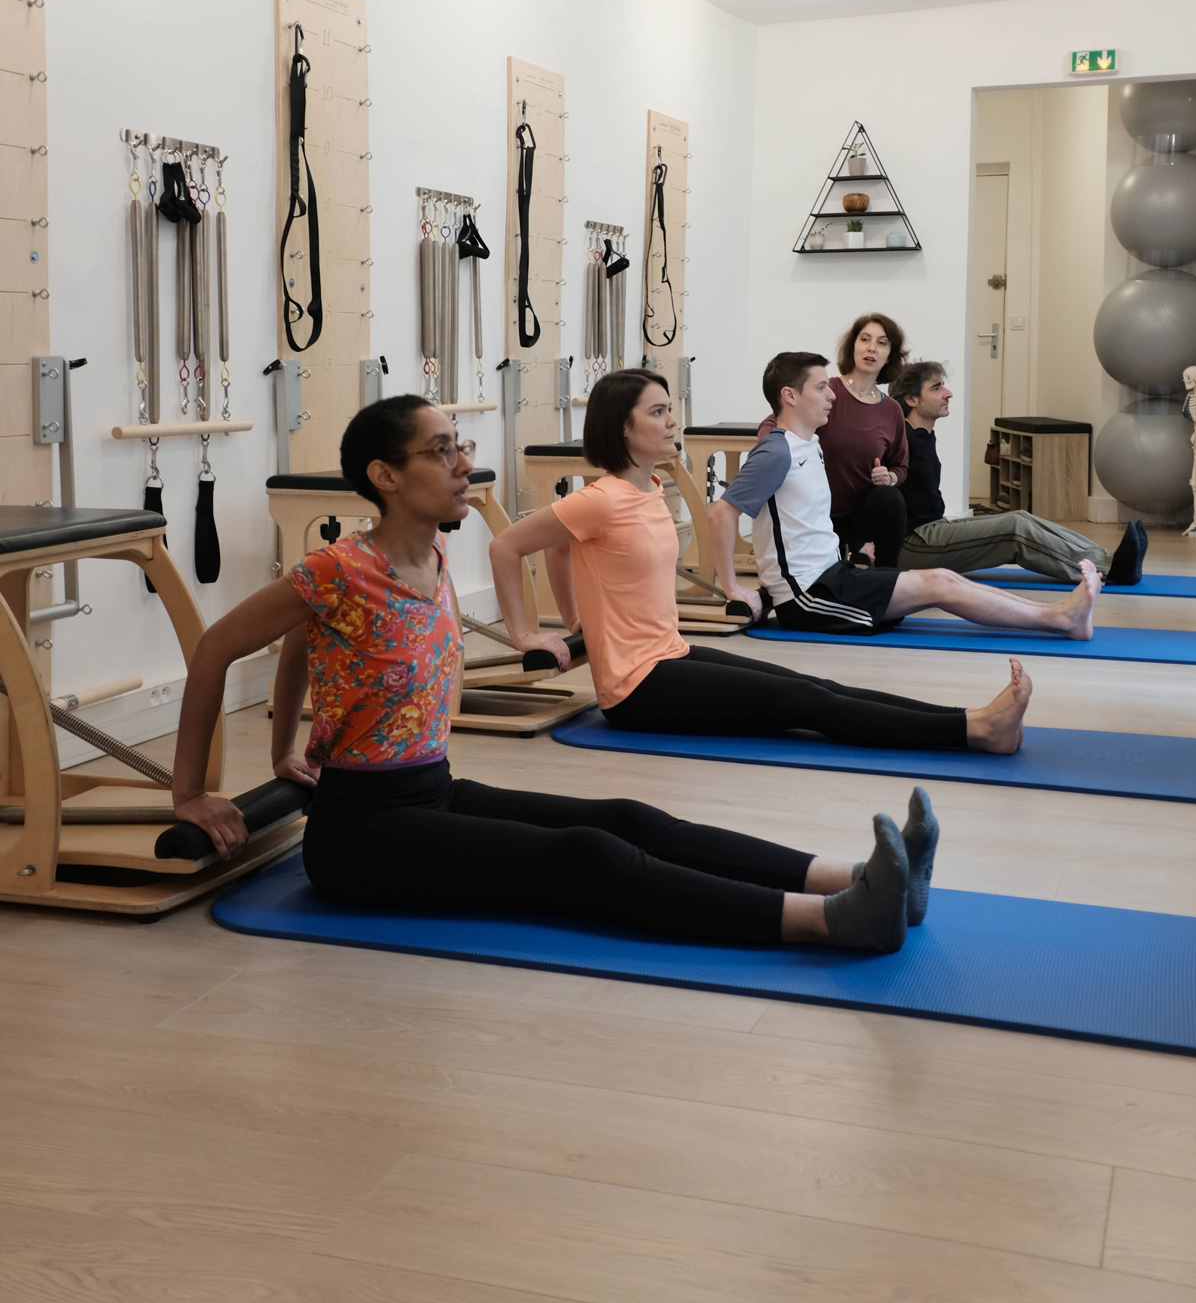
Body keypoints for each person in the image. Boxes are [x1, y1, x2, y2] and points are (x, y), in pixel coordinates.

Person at [170, 395, 940, 956]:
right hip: (360, 839)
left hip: (430, 789)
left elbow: (308, 642)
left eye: (459, 444)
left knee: (627, 819)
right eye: (442, 450)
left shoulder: (432, 556)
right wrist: (192, 792)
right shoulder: (338, 567)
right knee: (586, 857)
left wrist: (283, 749)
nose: (464, 462)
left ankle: (856, 875)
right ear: (386, 475)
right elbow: (216, 651)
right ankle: (827, 922)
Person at [491, 368, 1035, 785]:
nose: (672, 420)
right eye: (657, 413)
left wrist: (575, 618)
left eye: (670, 409)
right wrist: (527, 634)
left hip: (669, 654)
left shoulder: (650, 488)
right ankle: (977, 731)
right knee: (809, 707)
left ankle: (971, 718)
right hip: (637, 689)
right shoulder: (601, 499)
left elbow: (561, 549)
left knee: (813, 685)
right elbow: (507, 545)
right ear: (622, 428)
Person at [712, 352, 1101, 643]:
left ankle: (1061, 613)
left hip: (834, 576)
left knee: (943, 579)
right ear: (789, 396)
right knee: (939, 585)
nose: (831, 395)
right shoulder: (777, 451)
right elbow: (721, 515)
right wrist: (734, 588)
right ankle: (1062, 619)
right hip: (810, 597)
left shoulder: (808, 443)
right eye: (820, 388)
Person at [892, 360, 1147, 586]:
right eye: (936, 388)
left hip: (933, 529)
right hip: (914, 544)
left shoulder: (922, 436)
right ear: (912, 400)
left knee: (1021, 516)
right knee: (1015, 530)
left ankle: (1107, 557)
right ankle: (1109, 570)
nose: (948, 393)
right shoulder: (902, 440)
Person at [817, 313, 911, 567]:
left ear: (890, 355)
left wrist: (889, 477)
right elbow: (776, 422)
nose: (872, 347)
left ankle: (886, 580)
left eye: (882, 343)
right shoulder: (828, 391)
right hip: (815, 511)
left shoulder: (892, 409)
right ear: (853, 347)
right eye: (865, 339)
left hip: (858, 514)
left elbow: (900, 467)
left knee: (890, 499)